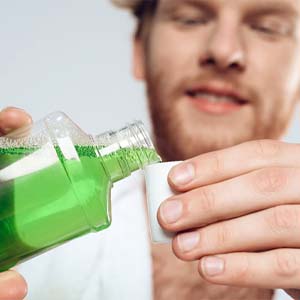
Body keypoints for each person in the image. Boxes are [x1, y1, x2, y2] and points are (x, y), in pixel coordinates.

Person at [1, 0, 300, 299]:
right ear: (139, 50)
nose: (223, 51)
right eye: (191, 19)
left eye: (267, 28)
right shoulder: (32, 242)